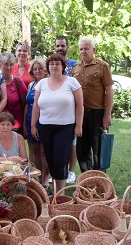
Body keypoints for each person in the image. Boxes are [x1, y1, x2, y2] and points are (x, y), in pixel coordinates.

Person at [31, 53, 83, 194]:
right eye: (51, 63)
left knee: (60, 159)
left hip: (65, 127)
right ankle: (55, 188)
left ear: (63, 66)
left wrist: (79, 126)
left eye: (57, 63)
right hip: (46, 127)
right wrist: (33, 125)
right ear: (48, 67)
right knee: (50, 159)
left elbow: (80, 106)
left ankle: (61, 192)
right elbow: (36, 106)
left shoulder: (72, 82)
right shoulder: (42, 83)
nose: (54, 66)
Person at [72, 37, 114, 172]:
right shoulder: (76, 68)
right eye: (81, 49)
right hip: (80, 115)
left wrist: (107, 115)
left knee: (98, 151)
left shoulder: (103, 67)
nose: (83, 51)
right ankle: (87, 180)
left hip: (97, 114)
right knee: (81, 151)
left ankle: (100, 182)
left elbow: (109, 92)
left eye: (86, 48)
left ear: (93, 50)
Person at [55, 36, 78, 184]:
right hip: (55, 111)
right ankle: (57, 170)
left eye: (63, 46)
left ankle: (71, 171)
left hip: (71, 109)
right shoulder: (52, 63)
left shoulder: (74, 65)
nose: (60, 48)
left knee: (72, 143)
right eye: (58, 46)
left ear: (67, 47)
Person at [24, 59, 50, 188]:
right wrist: (25, 123)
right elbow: (27, 106)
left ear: (45, 69)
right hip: (30, 121)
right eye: (35, 69)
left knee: (45, 151)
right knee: (35, 151)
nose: (37, 71)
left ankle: (46, 178)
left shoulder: (49, 83)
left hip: (45, 121)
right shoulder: (31, 85)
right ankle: (38, 177)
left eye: (40, 68)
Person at [0, 52, 27, 135]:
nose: (9, 67)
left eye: (11, 64)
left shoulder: (18, 81)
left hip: (15, 125)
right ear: (0, 65)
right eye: (6, 64)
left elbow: (24, 104)